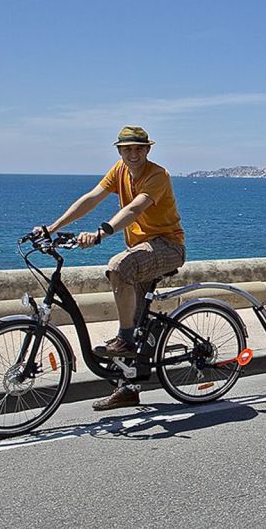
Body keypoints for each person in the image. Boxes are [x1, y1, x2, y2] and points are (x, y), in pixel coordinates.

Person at [33, 125, 185, 411]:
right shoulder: (119, 170)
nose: (132, 154)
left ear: (147, 150)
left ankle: (126, 341)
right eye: (127, 149)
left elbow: (134, 209)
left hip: (168, 246)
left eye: (138, 148)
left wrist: (102, 233)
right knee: (134, 315)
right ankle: (128, 386)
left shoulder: (158, 175)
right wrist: (52, 227)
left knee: (118, 267)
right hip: (141, 249)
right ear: (119, 151)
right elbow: (91, 198)